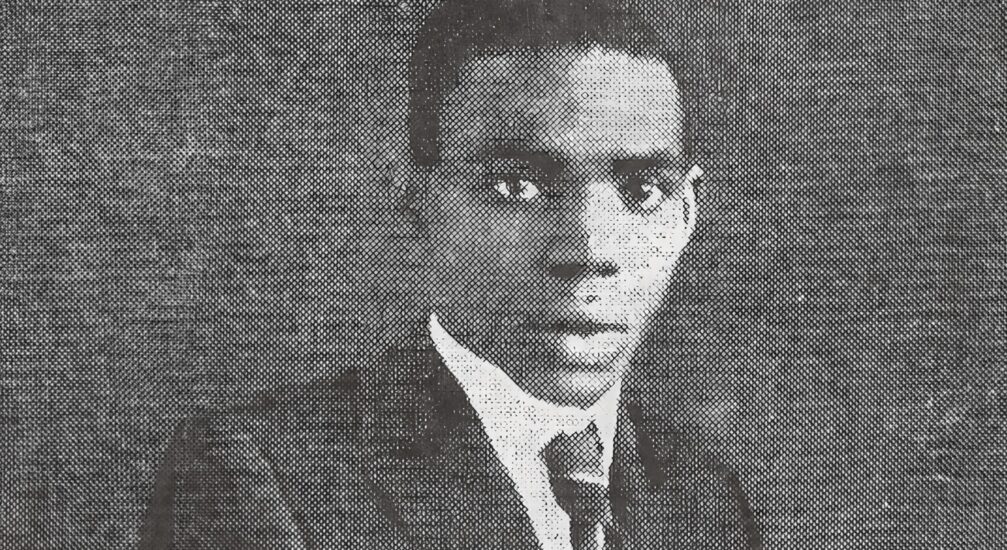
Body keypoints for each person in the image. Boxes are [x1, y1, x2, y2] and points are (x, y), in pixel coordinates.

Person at [139, 0, 761, 548]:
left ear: (685, 216)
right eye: (518, 187)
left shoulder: (703, 502)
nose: (590, 250)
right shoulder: (260, 478)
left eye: (642, 192)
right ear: (421, 205)